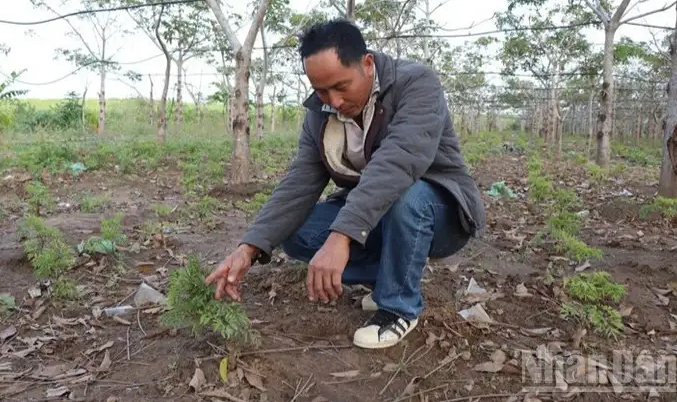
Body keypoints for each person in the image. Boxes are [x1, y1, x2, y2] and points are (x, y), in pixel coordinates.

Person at [205, 18, 486, 349]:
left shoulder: (416, 84)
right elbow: (300, 182)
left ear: (367, 64)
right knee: (294, 232)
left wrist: (341, 237)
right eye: (321, 90)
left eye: (341, 86)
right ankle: (388, 278)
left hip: (440, 213)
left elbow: (397, 163)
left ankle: (398, 306)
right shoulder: (321, 113)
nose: (333, 101)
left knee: (406, 194)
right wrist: (248, 248)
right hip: (377, 215)